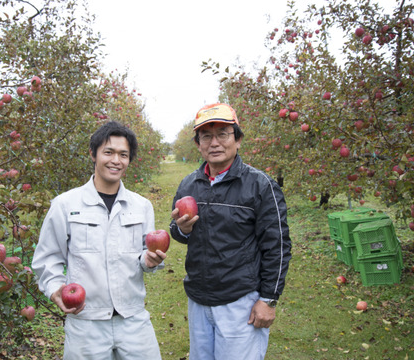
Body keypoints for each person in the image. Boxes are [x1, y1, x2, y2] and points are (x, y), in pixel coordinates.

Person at [32, 121, 166, 360]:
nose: (116, 160)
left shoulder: (141, 206)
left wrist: (151, 261)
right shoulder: (66, 205)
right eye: (109, 152)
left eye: (123, 155)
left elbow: (145, 256)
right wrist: (55, 291)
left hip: (133, 318)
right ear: (93, 154)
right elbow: (47, 258)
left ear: (129, 161)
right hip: (86, 322)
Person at [170, 103, 292, 360]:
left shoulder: (260, 185)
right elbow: (177, 233)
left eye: (223, 134)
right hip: (199, 299)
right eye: (206, 136)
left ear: (237, 140)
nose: (214, 143)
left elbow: (277, 246)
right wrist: (182, 229)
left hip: (240, 300)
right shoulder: (189, 184)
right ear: (199, 144)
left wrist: (268, 299)